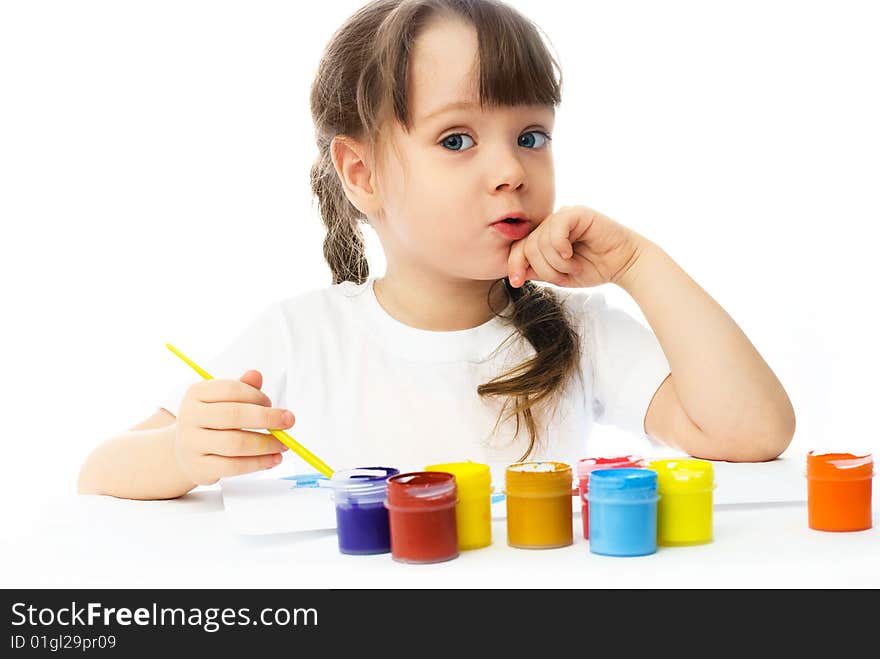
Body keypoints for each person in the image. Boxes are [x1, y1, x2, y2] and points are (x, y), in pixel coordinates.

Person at [78, 0, 795, 500]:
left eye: (532, 136)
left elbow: (754, 431)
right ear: (361, 174)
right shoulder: (300, 337)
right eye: (457, 140)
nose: (512, 169)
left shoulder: (578, 331)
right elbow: (101, 471)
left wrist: (639, 263)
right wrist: (180, 453)